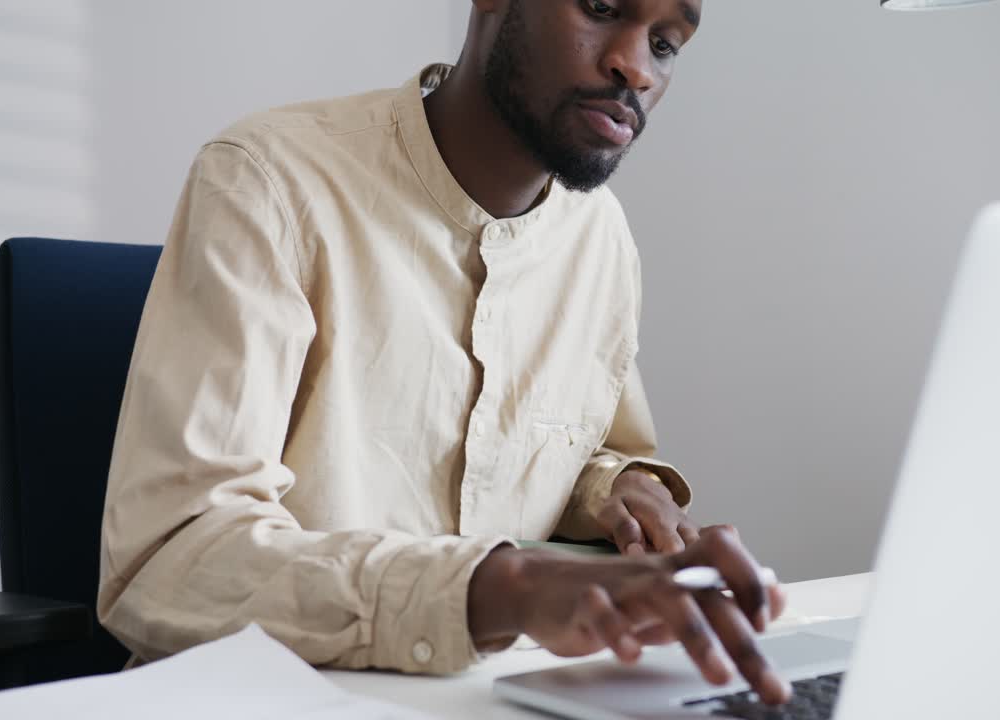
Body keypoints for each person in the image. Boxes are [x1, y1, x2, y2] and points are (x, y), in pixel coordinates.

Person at [98, 0, 790, 704]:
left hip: (494, 696)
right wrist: (503, 588)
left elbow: (572, 444)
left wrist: (619, 489)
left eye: (667, 45)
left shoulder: (599, 239)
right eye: (604, 7)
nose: (635, 67)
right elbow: (172, 557)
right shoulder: (269, 180)